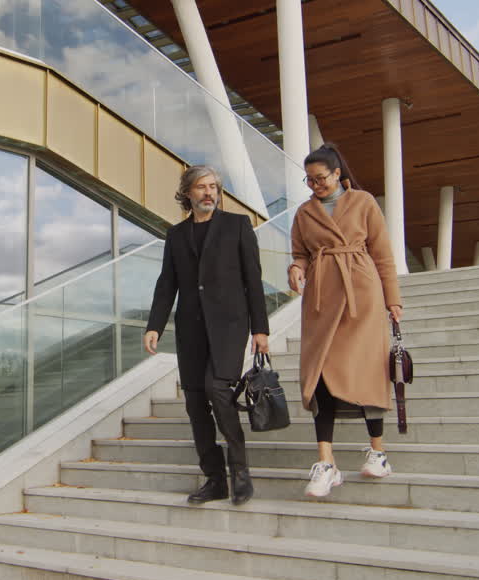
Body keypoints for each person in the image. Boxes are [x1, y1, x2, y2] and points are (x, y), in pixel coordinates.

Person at [144, 165, 270, 505]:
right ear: (188, 192)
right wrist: (154, 325)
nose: (209, 193)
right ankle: (215, 479)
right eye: (201, 187)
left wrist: (260, 328)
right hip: (191, 329)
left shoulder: (238, 225)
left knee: (217, 388)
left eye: (213, 187)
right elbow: (166, 282)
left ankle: (240, 470)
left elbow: (253, 279)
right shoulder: (176, 235)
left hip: (230, 324)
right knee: (195, 402)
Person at [287, 143, 403, 498]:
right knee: (319, 373)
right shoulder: (304, 214)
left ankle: (378, 453)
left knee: (367, 370)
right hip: (321, 298)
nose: (315, 185)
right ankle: (326, 463)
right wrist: (295, 268)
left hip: (362, 295)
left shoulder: (364, 202)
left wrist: (393, 300)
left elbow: (382, 254)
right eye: (309, 180)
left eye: (320, 178)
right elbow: (300, 253)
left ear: (338, 174)